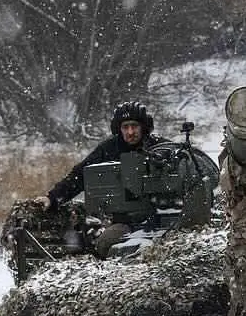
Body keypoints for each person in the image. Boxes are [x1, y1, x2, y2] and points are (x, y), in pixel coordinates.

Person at [35, 102, 163, 257]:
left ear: (143, 127)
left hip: (162, 218)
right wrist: (53, 198)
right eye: (125, 127)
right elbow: (80, 176)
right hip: (126, 222)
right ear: (119, 129)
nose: (130, 132)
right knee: (105, 243)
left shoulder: (160, 147)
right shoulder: (109, 149)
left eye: (134, 126)